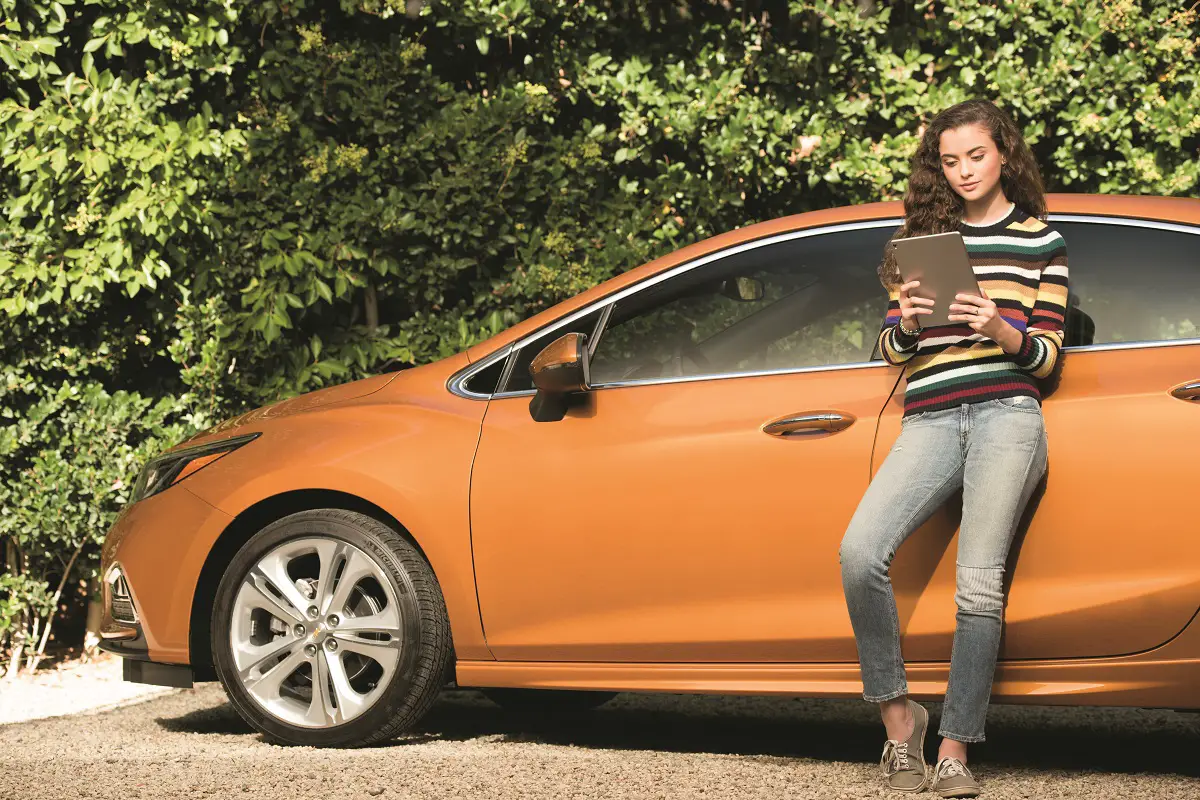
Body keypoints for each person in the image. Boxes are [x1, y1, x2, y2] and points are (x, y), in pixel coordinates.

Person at [838, 98, 1069, 797]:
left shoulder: (1040, 243)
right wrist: (907, 324)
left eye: (976, 155)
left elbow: (1047, 359)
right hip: (931, 418)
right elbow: (888, 350)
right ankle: (900, 725)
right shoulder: (921, 241)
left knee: (978, 584)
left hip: (1007, 416)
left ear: (1003, 154)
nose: (965, 170)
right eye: (950, 160)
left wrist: (996, 325)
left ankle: (956, 751)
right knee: (859, 552)